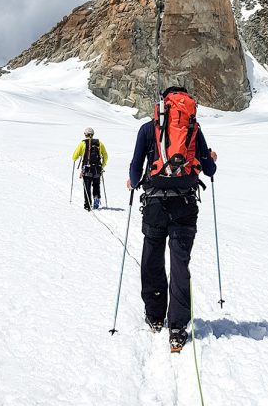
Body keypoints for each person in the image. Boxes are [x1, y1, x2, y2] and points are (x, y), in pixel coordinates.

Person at [127, 86, 217, 351]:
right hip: (185, 205)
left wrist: (133, 181)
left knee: (152, 259)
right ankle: (177, 327)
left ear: (162, 105)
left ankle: (155, 316)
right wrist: (210, 158)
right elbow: (208, 169)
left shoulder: (148, 129)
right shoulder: (193, 128)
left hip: (155, 203)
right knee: (180, 264)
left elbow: (135, 166)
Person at [73, 127, 108, 210]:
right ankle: (96, 198)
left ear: (85, 134)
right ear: (93, 134)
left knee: (87, 186)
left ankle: (87, 205)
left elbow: (74, 156)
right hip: (97, 169)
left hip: (87, 168)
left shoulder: (82, 143)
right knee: (96, 185)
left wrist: (75, 159)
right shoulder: (99, 143)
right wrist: (102, 166)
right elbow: (105, 156)